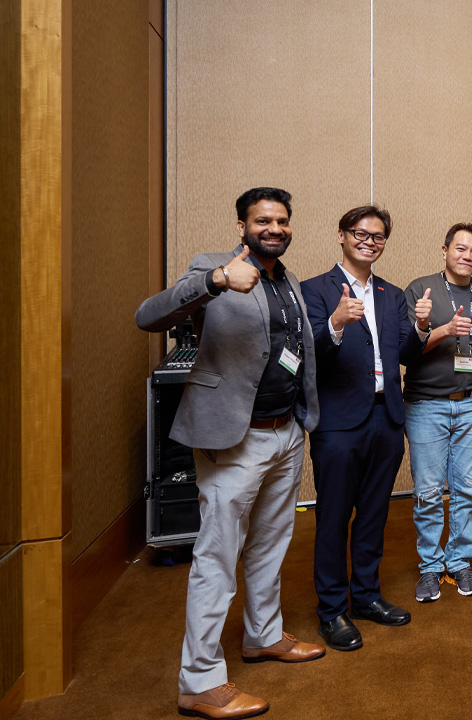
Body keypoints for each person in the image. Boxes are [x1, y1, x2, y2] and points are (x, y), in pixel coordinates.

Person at [136, 187, 325, 720]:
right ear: (241, 225)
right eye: (263, 219)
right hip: (231, 438)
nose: (274, 228)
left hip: (285, 433)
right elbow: (147, 316)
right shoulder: (213, 268)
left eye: (282, 220)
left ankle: (263, 635)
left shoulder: (286, 279)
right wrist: (217, 281)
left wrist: (301, 421)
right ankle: (198, 681)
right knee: (217, 557)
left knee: (271, 542)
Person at [300, 204, 423, 652]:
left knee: (374, 513)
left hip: (386, 416)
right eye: (360, 233)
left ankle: (366, 596)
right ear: (342, 236)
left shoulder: (391, 295)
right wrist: (334, 323)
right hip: (338, 422)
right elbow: (307, 353)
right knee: (333, 516)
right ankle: (331, 610)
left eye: (378, 237)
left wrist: (423, 327)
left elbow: (405, 350)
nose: (369, 241)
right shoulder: (314, 289)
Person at [403, 223, 472, 602]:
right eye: (461, 249)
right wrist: (442, 328)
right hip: (426, 404)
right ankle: (430, 568)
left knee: (467, 490)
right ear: (444, 249)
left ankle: (459, 561)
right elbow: (407, 351)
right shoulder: (421, 289)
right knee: (428, 492)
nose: (468, 256)